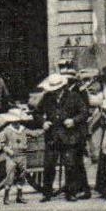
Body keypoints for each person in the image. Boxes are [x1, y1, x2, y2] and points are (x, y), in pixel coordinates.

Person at [39, 73, 91, 201]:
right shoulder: (47, 97)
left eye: (56, 90)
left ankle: (71, 193)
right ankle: (47, 193)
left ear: (62, 88)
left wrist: (73, 120)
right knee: (49, 165)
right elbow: (37, 112)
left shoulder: (74, 96)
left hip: (69, 136)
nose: (55, 92)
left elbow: (84, 112)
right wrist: (43, 122)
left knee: (70, 166)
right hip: (52, 137)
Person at [0, 107, 30, 204]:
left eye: (17, 120)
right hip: (11, 157)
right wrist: (8, 150)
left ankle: (19, 196)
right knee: (10, 176)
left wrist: (43, 130)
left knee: (22, 174)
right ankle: (6, 196)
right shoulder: (7, 130)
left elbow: (33, 133)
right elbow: (2, 143)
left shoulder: (23, 129)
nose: (15, 122)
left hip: (22, 155)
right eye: (13, 121)